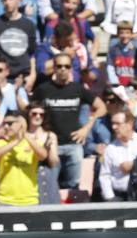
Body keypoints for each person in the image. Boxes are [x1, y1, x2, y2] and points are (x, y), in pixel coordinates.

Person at [33, 56, 106, 191]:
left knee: (73, 188)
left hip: (74, 145)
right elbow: (30, 111)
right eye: (59, 66)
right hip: (51, 146)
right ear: (54, 68)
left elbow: (102, 107)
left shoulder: (78, 89)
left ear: (71, 69)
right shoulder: (43, 89)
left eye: (66, 66)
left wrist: (86, 128)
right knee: (49, 187)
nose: (63, 69)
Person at [0, 110, 47, 206]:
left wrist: (25, 135)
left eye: (10, 123)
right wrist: (15, 142)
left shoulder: (33, 143)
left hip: (29, 200)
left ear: (20, 125)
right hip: (5, 200)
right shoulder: (0, 143)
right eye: (4, 124)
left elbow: (43, 155)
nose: (6, 127)